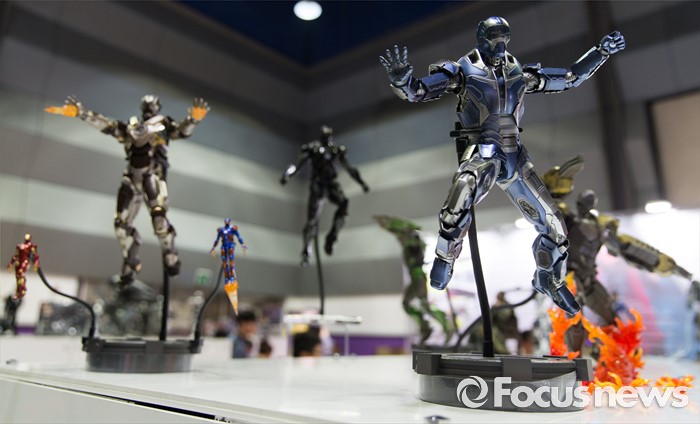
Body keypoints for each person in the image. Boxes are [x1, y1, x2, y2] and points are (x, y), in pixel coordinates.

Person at [380, 17, 626, 314]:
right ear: (481, 38)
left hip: (515, 156)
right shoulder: (462, 70)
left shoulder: (519, 72)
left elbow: (571, 77)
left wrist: (600, 52)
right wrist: (403, 82)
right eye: (493, 37)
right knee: (459, 201)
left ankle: (549, 279)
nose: (498, 44)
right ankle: (445, 258)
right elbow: (418, 91)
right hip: (483, 151)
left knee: (555, 227)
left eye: (503, 37)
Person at [281, 125, 369, 266]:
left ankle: (332, 237)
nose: (327, 137)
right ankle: (306, 252)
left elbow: (350, 169)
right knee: (312, 220)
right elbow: (298, 165)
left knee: (344, 203)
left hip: (330, 183)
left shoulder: (335, 151)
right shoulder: (313, 149)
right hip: (318, 183)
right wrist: (287, 175)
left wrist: (362, 183)